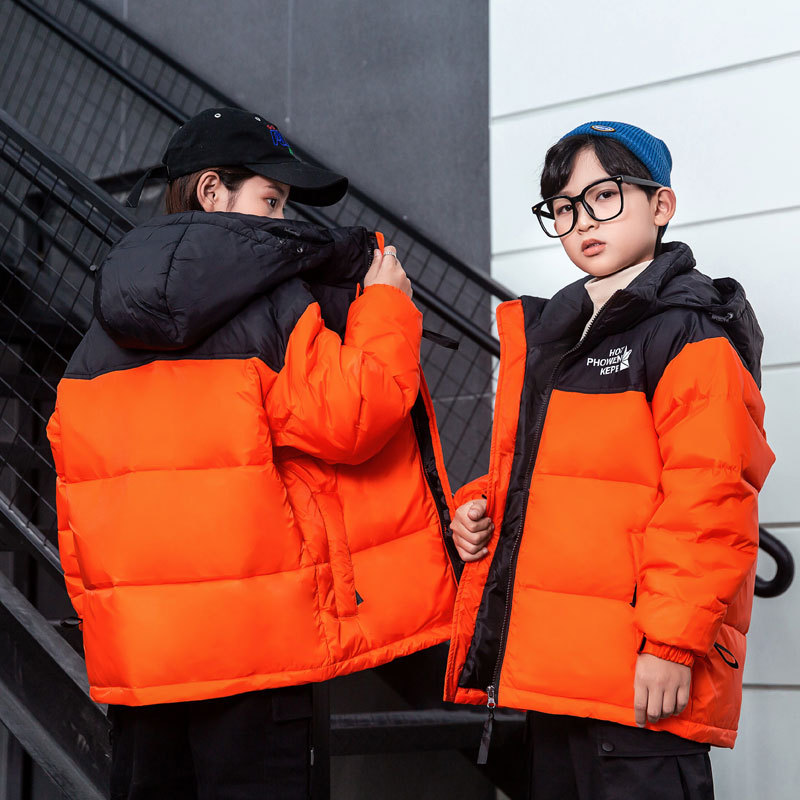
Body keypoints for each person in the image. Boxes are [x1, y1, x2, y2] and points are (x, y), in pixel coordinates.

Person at [47, 107, 458, 799]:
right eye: (271, 201)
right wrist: (387, 306)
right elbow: (354, 416)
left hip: (143, 663)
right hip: (259, 658)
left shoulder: (98, 338)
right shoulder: (270, 305)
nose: (283, 222)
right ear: (213, 191)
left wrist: (107, 622)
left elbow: (76, 505)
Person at [443, 121, 775, 799]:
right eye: (564, 208)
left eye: (603, 196)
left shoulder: (691, 330)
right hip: (556, 677)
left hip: (637, 682)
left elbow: (712, 497)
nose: (582, 221)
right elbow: (560, 473)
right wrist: (477, 508)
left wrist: (672, 645)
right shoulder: (562, 333)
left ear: (661, 205)